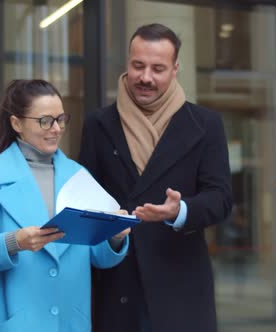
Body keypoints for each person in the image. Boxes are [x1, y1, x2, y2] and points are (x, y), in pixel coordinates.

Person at [79, 23, 233, 332]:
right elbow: (85, 201)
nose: (145, 77)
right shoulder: (97, 124)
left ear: (176, 69)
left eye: (158, 69)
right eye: (138, 66)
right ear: (127, 63)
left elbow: (221, 198)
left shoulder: (205, 124)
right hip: (115, 284)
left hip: (181, 286)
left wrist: (180, 211)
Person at [0, 79, 130, 332]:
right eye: (45, 121)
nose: (56, 128)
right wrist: (14, 242)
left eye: (61, 119)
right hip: (18, 323)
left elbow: (99, 257)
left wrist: (113, 237)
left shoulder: (78, 176)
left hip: (72, 323)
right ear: (17, 124)